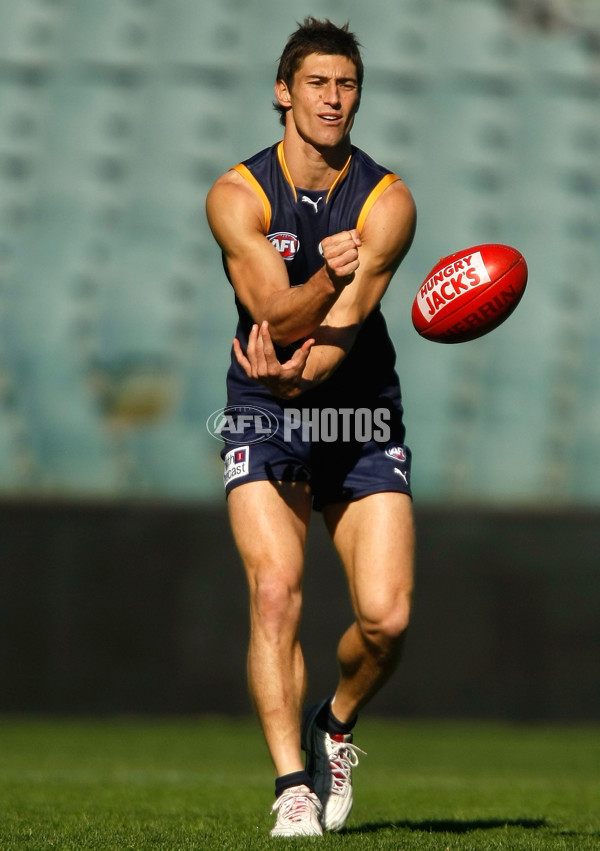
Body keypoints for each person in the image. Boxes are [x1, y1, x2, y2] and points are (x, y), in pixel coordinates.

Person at [206, 17, 416, 837]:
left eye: (348, 84)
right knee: (273, 589)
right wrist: (322, 283)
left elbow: (351, 321)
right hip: (260, 403)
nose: (334, 98)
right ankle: (292, 784)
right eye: (319, 83)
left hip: (356, 407)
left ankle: (332, 725)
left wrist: (308, 366)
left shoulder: (387, 202)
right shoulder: (238, 194)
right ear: (282, 93)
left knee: (387, 617)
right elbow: (267, 310)